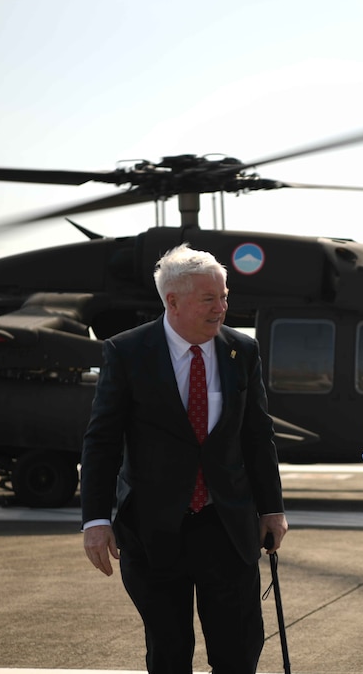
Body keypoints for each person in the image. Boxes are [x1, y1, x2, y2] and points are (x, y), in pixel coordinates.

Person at [80, 243, 288, 674]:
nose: (222, 308)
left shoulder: (241, 352)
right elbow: (101, 440)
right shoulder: (127, 353)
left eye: (225, 296)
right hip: (154, 531)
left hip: (226, 527)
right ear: (172, 301)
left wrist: (272, 508)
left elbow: (257, 434)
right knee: (169, 653)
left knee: (238, 651)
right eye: (209, 299)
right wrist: (96, 520)